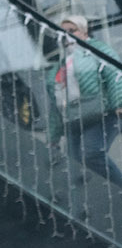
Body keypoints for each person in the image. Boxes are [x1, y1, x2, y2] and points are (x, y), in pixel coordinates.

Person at [48, 15, 122, 186]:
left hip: (102, 112)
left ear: (84, 32)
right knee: (74, 162)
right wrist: (54, 136)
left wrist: (119, 103)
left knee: (92, 153)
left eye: (71, 31)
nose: (66, 36)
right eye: (62, 32)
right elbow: (55, 103)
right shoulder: (61, 62)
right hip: (74, 117)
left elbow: (114, 74)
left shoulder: (96, 50)